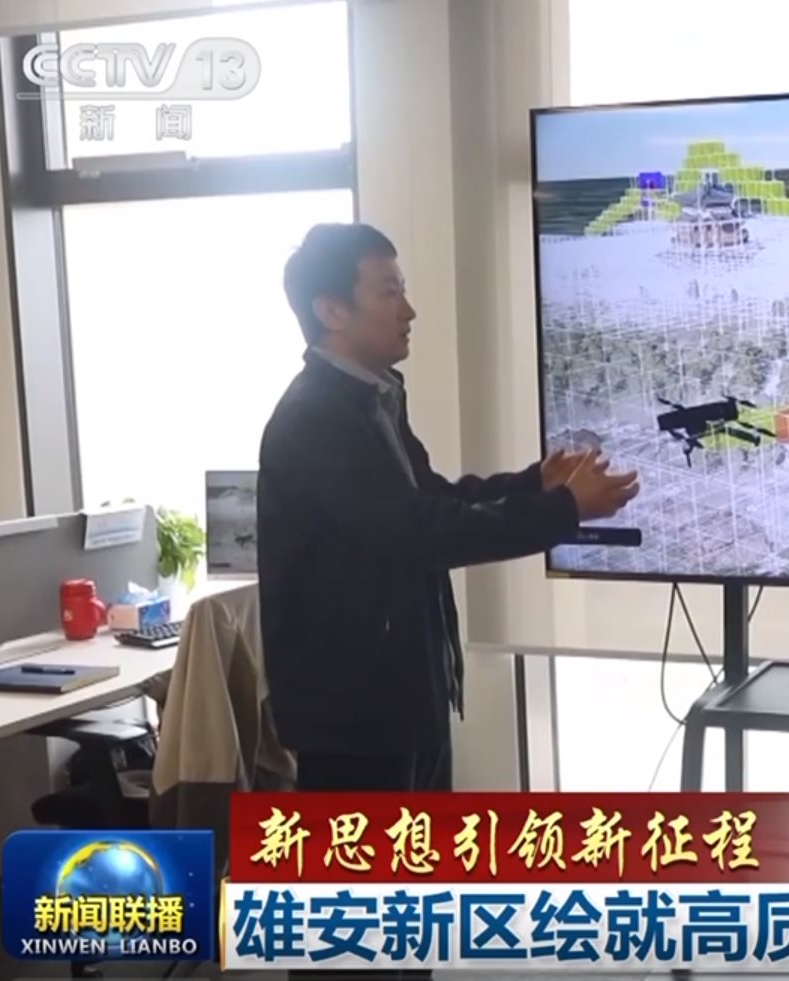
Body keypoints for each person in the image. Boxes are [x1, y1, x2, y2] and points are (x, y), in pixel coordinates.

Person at [259, 222, 640, 801]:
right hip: (353, 719)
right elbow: (420, 533)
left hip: (401, 698)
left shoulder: (374, 396)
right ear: (332, 311)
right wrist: (563, 509)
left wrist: (534, 483)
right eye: (389, 292)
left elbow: (430, 498)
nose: (409, 310)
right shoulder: (316, 418)